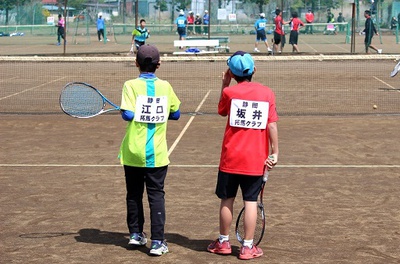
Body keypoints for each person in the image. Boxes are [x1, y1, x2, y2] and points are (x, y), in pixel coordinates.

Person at [207, 51, 279, 260]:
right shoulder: (267, 93)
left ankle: (223, 242)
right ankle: (248, 246)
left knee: (226, 199)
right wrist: (275, 152)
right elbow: (271, 124)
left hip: (230, 158)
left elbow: (221, 110)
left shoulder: (230, 93)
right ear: (253, 70)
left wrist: (225, 84)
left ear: (231, 72)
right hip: (255, 159)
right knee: (250, 201)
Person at [119, 44, 181, 256]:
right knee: (156, 196)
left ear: (136, 63)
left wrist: (131, 112)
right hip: (156, 153)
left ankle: (136, 234)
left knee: (133, 194)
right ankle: (157, 242)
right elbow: (176, 113)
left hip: (132, 152)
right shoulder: (165, 86)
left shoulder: (130, 85)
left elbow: (127, 115)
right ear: (159, 64)